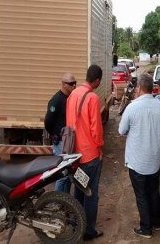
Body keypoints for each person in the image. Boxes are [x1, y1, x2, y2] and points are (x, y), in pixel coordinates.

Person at [118, 73, 160, 239]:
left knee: (142, 195)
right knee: (154, 192)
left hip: (137, 161)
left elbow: (121, 131)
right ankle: (157, 222)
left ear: (140, 88)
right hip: (154, 159)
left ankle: (146, 228)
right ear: (152, 88)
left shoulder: (132, 107)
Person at [66, 65, 104, 241]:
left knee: (79, 190)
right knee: (91, 194)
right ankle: (89, 230)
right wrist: (100, 147)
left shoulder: (73, 94)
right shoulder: (93, 98)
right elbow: (96, 129)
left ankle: (76, 225)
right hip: (90, 155)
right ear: (96, 80)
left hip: (74, 154)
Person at [44, 72, 76, 193]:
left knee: (68, 174)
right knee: (61, 175)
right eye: (71, 84)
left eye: (75, 83)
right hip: (60, 142)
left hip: (67, 141)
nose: (74, 86)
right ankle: (58, 201)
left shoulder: (69, 98)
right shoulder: (56, 100)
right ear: (63, 84)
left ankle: (65, 201)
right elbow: (48, 122)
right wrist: (55, 135)